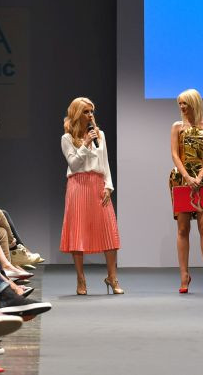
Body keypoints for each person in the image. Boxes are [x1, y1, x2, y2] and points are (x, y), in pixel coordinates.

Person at [59, 97, 122, 295]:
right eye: (86, 111)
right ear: (77, 114)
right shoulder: (67, 138)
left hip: (98, 184)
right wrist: (85, 144)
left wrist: (109, 186)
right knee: (77, 232)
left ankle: (112, 278)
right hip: (78, 186)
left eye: (92, 111)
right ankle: (81, 279)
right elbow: (74, 164)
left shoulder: (99, 135)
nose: (90, 115)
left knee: (109, 231)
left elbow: (105, 162)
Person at [169, 89, 203, 294]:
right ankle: (184, 275)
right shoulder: (177, 127)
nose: (182, 107)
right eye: (180, 103)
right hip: (181, 179)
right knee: (182, 228)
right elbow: (174, 154)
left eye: (185, 103)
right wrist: (188, 177)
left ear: (194, 103)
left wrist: (199, 177)